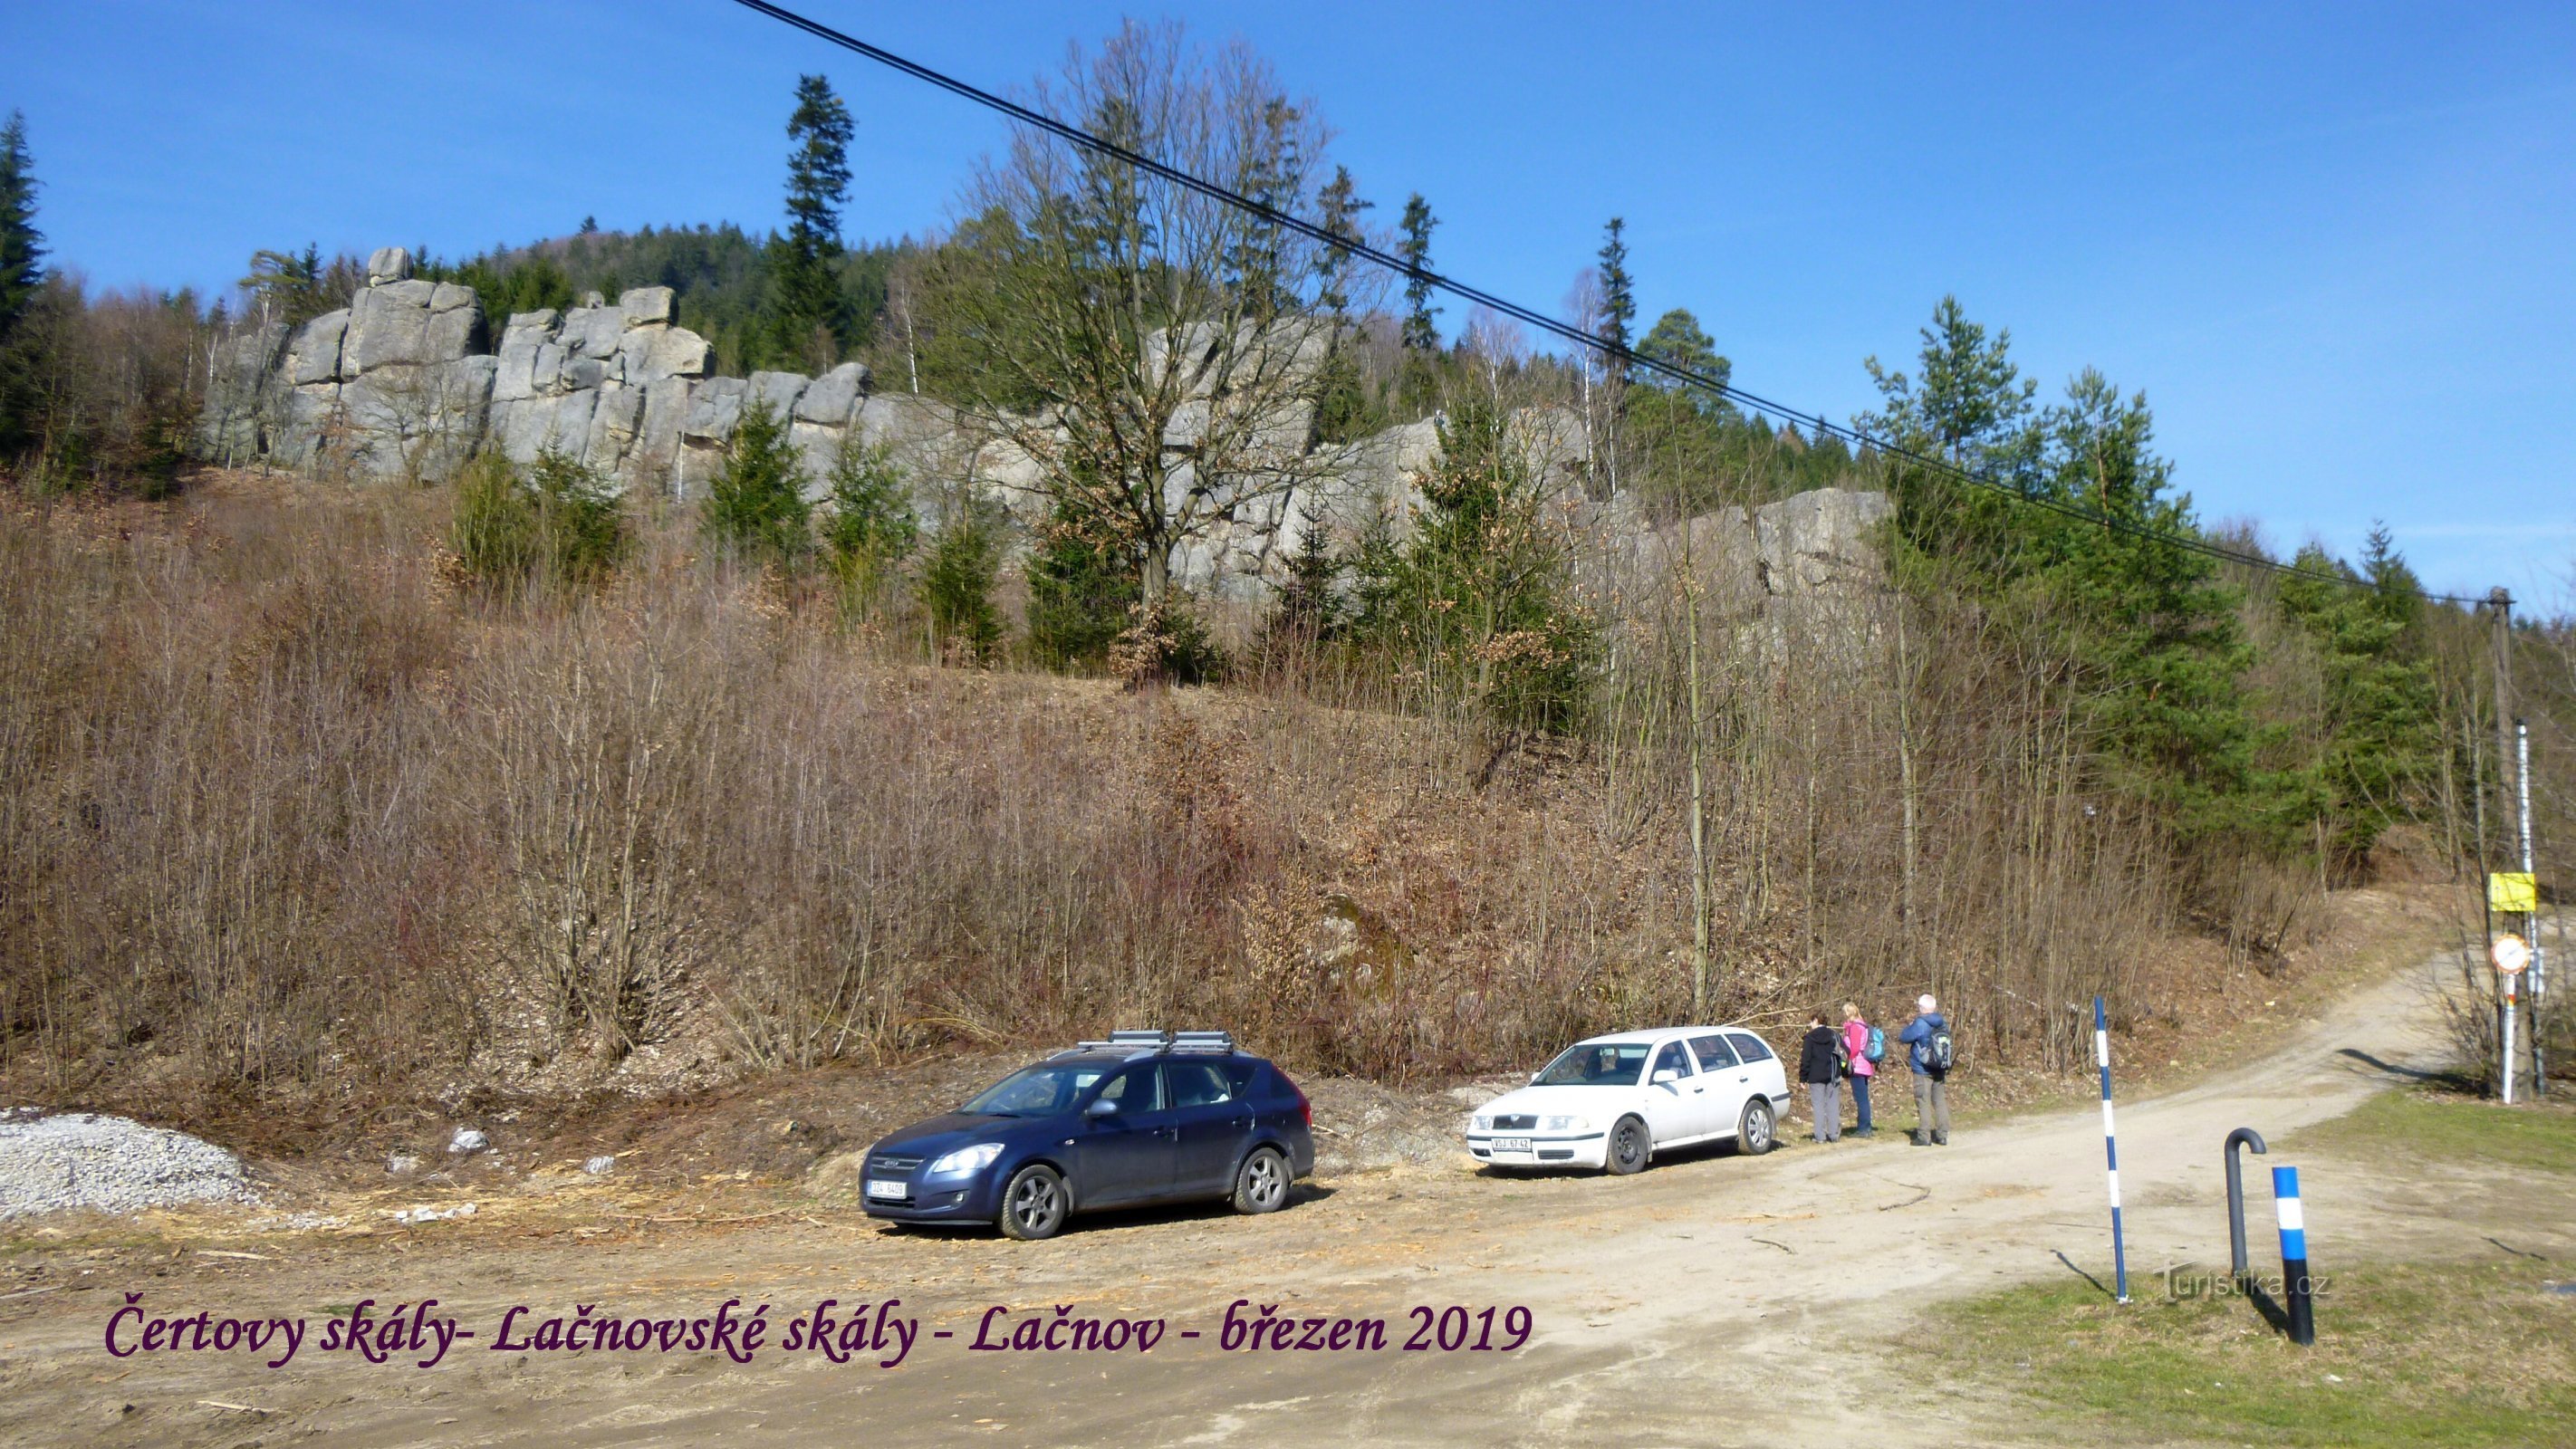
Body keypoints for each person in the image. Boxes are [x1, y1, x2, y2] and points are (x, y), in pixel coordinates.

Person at [1898, 993, 1951, 1147]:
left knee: (1923, 1101)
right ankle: (1942, 1135)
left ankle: (1924, 1136)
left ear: (1922, 1008)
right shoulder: (1943, 1023)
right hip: (1940, 1067)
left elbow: (1904, 1036)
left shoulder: (1920, 1023)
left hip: (1923, 1068)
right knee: (1940, 1101)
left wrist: (1910, 1025)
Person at [1797, 1009, 1841, 1144]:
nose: (1810, 1024)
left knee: (1818, 1105)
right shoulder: (1834, 1035)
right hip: (1833, 1074)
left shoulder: (1810, 1038)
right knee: (1833, 1104)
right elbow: (1846, 1051)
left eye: (1811, 1021)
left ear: (1816, 1020)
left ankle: (1820, 1136)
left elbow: (1806, 1059)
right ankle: (1834, 1135)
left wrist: (1803, 1078)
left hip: (1815, 1075)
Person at [1841, 1001, 1876, 1137]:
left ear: (1849, 1013)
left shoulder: (1855, 1027)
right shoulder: (1863, 1025)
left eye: (1845, 1013)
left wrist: (1848, 1060)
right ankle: (1865, 1126)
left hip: (1857, 1066)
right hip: (1864, 1065)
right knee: (1863, 1097)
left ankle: (1864, 1128)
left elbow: (1854, 1048)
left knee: (1861, 1099)